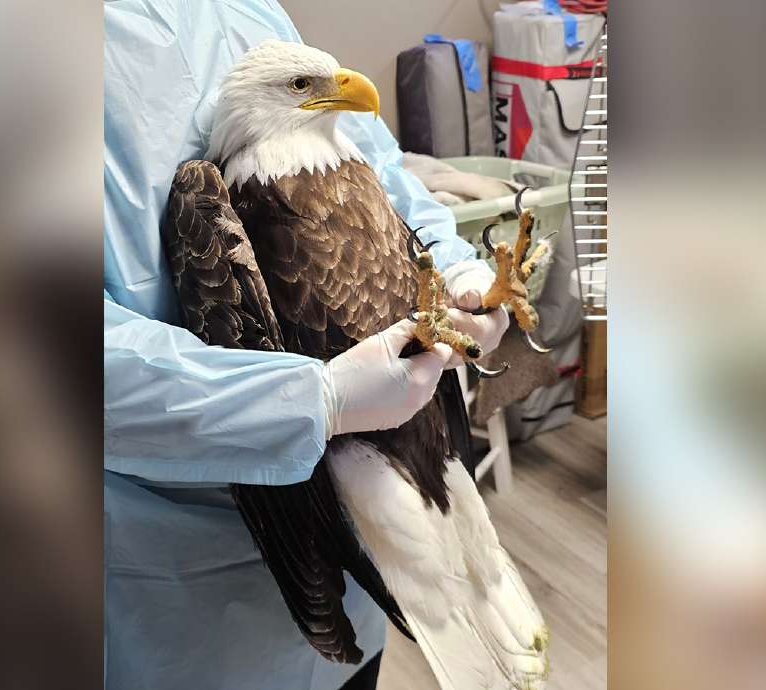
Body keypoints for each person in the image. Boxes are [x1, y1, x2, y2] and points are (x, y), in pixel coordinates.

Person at [103, 1, 508, 688]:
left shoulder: (249, 7)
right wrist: (305, 400)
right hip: (174, 583)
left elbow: (376, 166)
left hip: (379, 512)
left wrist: (459, 270)